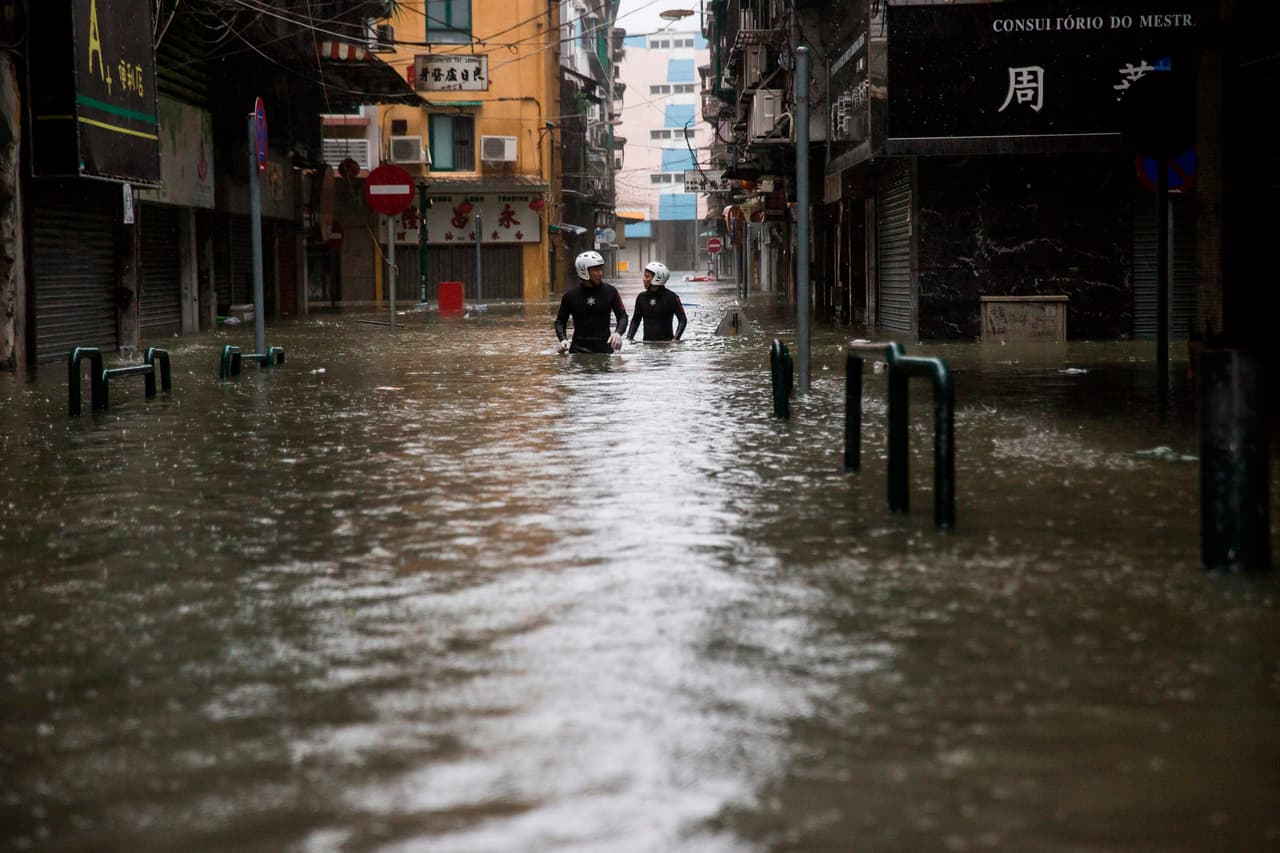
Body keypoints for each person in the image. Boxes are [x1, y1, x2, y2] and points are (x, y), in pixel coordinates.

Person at [554, 250, 628, 354]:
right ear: (584, 271)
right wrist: (563, 339)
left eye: (601, 269)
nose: (600, 273)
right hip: (578, 351)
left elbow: (623, 316)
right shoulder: (570, 296)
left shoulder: (611, 292)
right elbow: (560, 322)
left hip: (604, 350)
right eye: (596, 270)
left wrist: (618, 333)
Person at [626, 261, 687, 343]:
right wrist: (629, 338)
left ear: (657, 279)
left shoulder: (671, 297)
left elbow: (682, 320)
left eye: (647, 276)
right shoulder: (641, 297)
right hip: (647, 345)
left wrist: (675, 340)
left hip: (666, 345)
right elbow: (635, 320)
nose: (643, 279)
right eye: (644, 275)